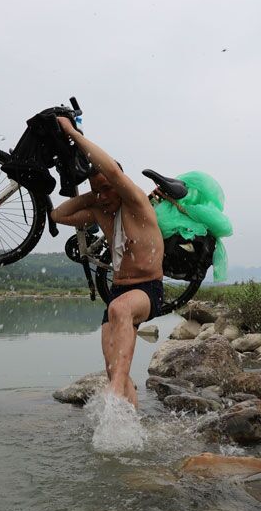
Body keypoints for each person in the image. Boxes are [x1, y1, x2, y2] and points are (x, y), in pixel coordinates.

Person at [49, 117, 176, 408]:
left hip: (147, 290)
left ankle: (116, 389)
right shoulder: (103, 212)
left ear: (120, 184)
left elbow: (112, 173)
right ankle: (131, 422)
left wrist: (71, 133)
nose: (105, 196)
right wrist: (92, 197)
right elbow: (58, 215)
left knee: (119, 311)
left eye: (108, 189)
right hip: (118, 291)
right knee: (112, 366)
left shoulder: (137, 205)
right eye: (98, 191)